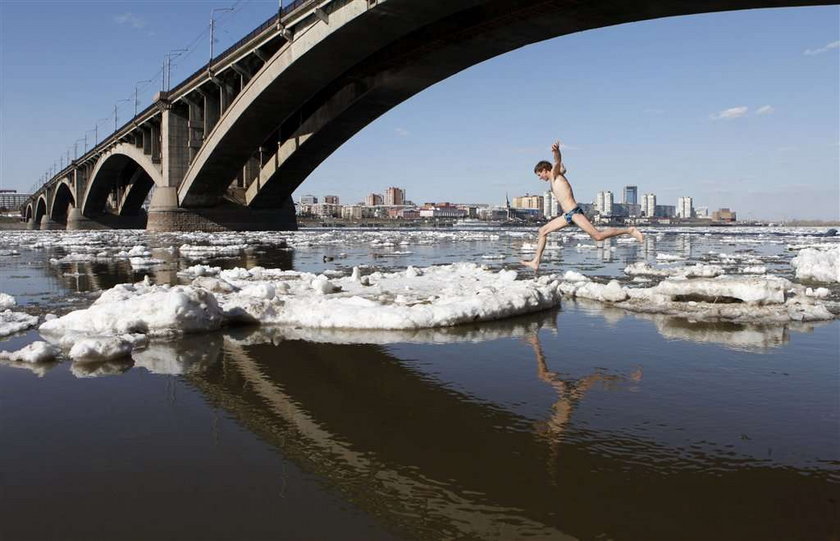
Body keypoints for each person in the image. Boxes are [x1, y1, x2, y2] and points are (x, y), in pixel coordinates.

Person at [520, 141, 644, 270]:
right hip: (567, 215)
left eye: (540, 175)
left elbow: (557, 162)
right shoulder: (556, 177)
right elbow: (562, 167)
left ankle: (630, 230)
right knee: (542, 231)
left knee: (598, 236)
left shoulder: (556, 175)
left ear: (545, 170)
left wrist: (556, 152)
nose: (540, 178)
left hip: (574, 213)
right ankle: (536, 262)